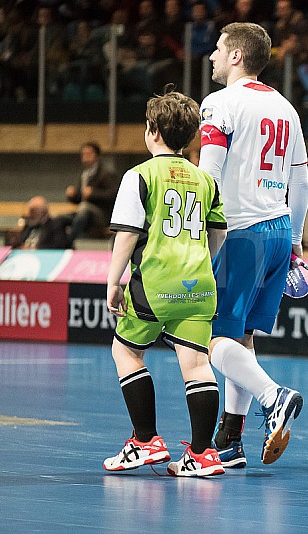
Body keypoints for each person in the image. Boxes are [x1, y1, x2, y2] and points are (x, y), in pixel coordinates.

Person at [198, 22, 308, 469]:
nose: (211, 56)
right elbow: (300, 181)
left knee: (215, 339)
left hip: (238, 233)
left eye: (219, 48)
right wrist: (297, 239)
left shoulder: (219, 103)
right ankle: (230, 438)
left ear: (237, 57)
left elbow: (208, 177)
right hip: (279, 231)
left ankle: (273, 396)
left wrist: (199, 236)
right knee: (241, 339)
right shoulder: (287, 108)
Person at [103, 90, 227, 477]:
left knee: (125, 353)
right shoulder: (204, 179)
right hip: (199, 284)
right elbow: (219, 232)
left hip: (156, 283)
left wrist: (113, 281)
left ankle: (145, 441)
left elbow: (126, 234)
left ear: (152, 131)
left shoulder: (139, 175)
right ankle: (204, 455)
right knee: (197, 365)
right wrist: (200, 259)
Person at [66, 142, 120, 241]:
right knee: (60, 219)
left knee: (84, 208)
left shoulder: (106, 174)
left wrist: (93, 193)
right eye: (83, 154)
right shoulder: (84, 174)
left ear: (97, 156)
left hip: (102, 214)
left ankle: (71, 241)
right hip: (84, 213)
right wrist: (72, 195)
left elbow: (114, 194)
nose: (85, 157)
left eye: (88, 154)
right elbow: (80, 199)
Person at [4, 196, 71, 250]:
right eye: (30, 210)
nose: (30, 214)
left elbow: (59, 247)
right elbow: (20, 243)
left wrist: (36, 249)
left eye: (33, 211)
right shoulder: (28, 226)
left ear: (44, 212)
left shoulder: (55, 226)